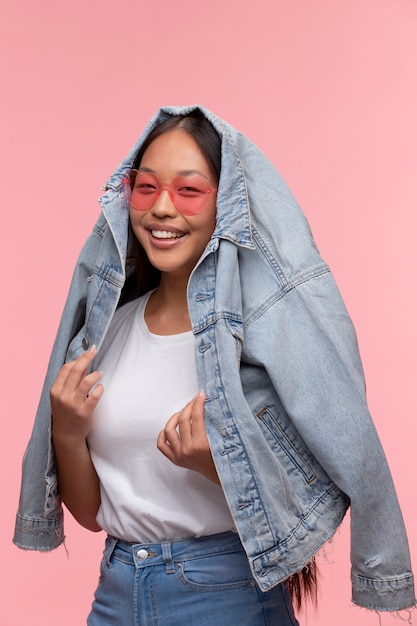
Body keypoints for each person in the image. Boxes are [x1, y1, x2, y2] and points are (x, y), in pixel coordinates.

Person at [14, 106, 415, 624]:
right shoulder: (106, 331)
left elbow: (307, 503)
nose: (162, 208)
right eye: (146, 188)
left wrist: (217, 464)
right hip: (114, 592)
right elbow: (94, 517)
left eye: (188, 191)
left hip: (225, 593)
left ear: (225, 205)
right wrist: (67, 434)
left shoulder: (256, 342)